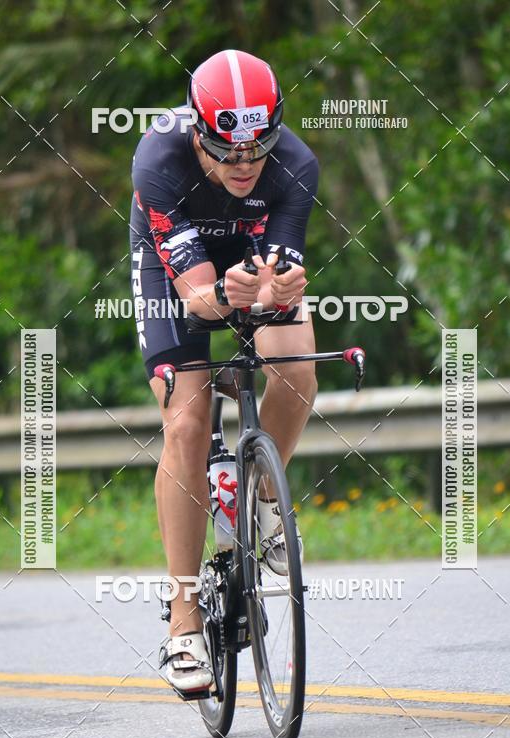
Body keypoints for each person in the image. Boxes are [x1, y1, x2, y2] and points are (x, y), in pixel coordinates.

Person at [129, 49, 319, 696]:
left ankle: (263, 504)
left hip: (250, 251)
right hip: (175, 268)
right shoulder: (158, 160)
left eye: (256, 149)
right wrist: (229, 298)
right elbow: (198, 298)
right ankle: (183, 623)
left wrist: (280, 288)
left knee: (295, 370)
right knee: (187, 421)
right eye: (227, 152)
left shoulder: (294, 165)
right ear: (198, 131)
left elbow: (281, 279)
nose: (244, 166)